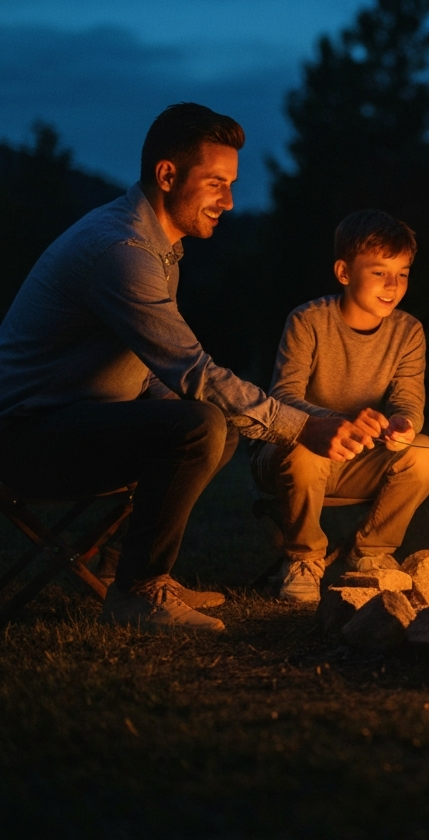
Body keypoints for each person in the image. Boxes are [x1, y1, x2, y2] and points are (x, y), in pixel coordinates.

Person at [0, 103, 381, 633]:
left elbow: (155, 369)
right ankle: (137, 592)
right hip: (22, 438)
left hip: (70, 420)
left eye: (232, 184)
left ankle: (121, 568)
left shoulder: (158, 247)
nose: (228, 200)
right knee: (200, 422)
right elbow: (191, 370)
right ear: (166, 175)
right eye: (216, 183)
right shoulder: (122, 250)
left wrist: (267, 415)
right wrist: (301, 427)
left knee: (210, 423)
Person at [250, 209, 429, 603]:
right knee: (304, 453)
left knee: (426, 454)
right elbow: (283, 397)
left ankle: (370, 553)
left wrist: (403, 424)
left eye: (403, 273)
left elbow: (408, 397)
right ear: (344, 272)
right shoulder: (308, 321)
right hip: (293, 454)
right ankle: (303, 560)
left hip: (358, 460)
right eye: (379, 273)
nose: (393, 285)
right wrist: (335, 421)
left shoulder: (408, 332)